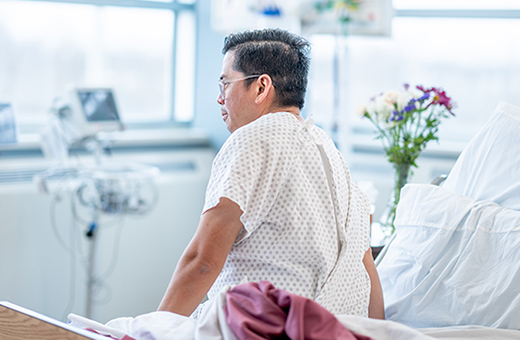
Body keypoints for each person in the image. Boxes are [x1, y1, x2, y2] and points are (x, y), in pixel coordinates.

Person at [158, 28, 384, 319]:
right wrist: (379, 332)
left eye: (225, 84)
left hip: (267, 328)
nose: (220, 99)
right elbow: (365, 264)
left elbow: (203, 260)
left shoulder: (253, 139)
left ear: (261, 87)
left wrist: (154, 328)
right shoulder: (329, 150)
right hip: (339, 330)